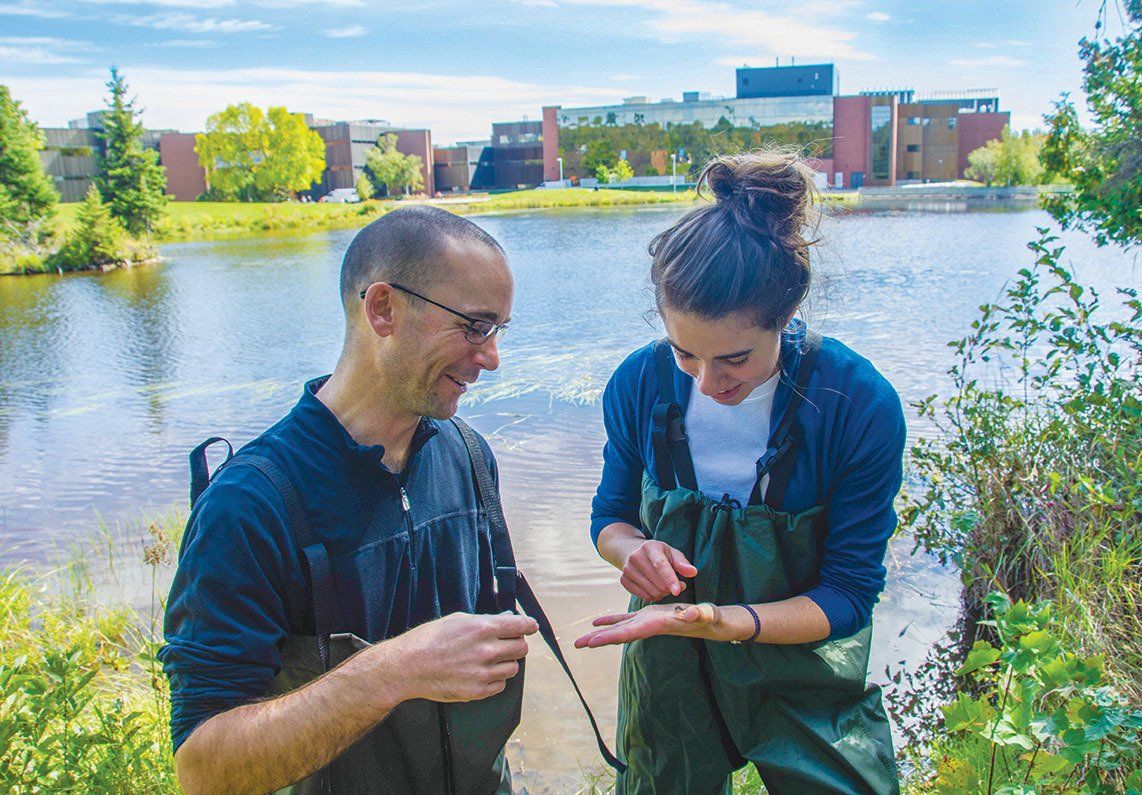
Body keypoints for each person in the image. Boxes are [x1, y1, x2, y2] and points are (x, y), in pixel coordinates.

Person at [159, 206, 539, 795]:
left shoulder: (469, 456)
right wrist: (395, 670)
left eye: (498, 331)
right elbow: (203, 770)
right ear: (382, 309)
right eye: (474, 326)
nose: (491, 357)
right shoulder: (250, 506)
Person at [577, 151, 905, 794]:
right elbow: (608, 517)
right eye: (683, 352)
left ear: (784, 316)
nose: (707, 381)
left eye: (734, 358)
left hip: (802, 670)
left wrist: (730, 622)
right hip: (666, 664)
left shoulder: (856, 402)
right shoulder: (640, 383)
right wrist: (632, 550)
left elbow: (849, 591)